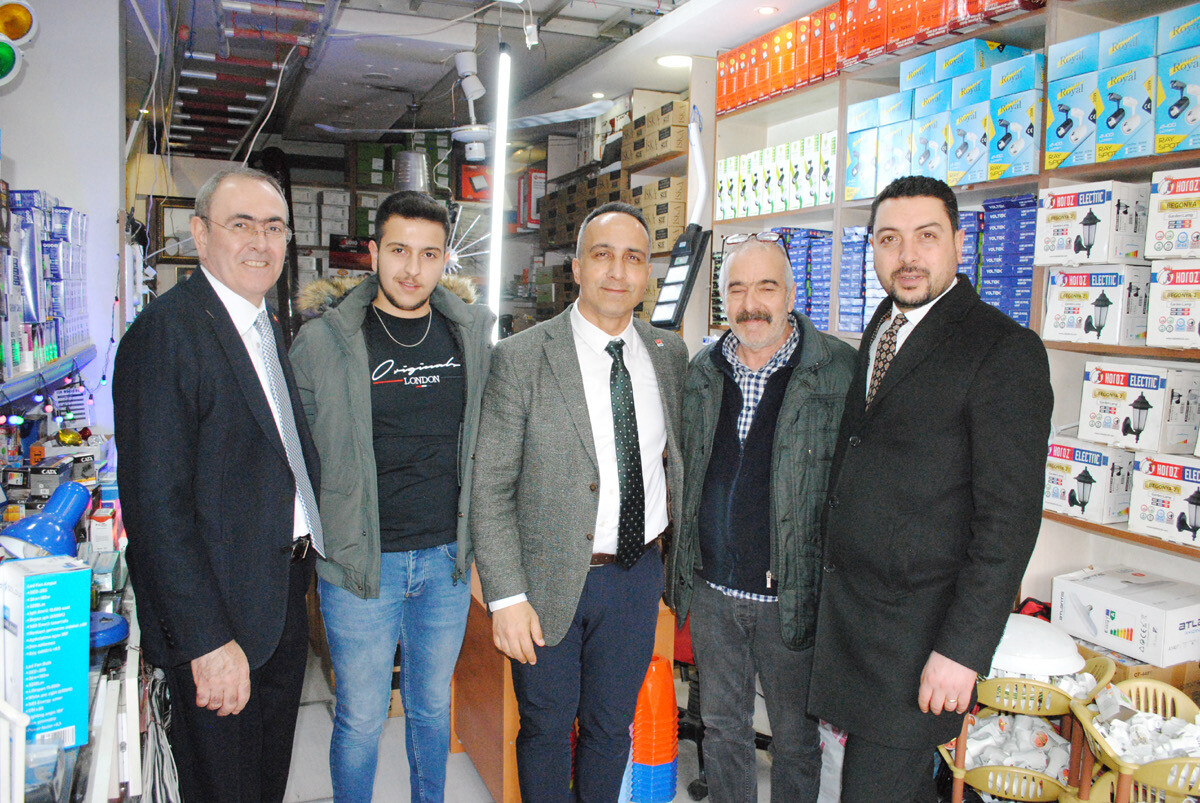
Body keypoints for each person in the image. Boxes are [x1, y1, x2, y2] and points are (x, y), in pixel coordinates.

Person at [808, 175, 1053, 802]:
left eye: (926, 236)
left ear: (959, 243)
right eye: (890, 239)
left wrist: (962, 651)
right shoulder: (885, 325)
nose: (907, 256)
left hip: (921, 637)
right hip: (860, 624)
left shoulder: (1004, 350)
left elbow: (1009, 521)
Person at [114, 165, 322, 802]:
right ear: (200, 235)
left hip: (278, 596)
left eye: (274, 227)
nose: (261, 242)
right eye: (242, 225)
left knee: (263, 784)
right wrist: (206, 642)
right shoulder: (168, 334)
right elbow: (156, 509)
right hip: (221, 617)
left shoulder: (258, 325)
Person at [470, 201, 688, 801]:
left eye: (634, 258)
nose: (618, 271)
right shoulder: (521, 357)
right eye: (603, 255)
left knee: (609, 728)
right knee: (545, 728)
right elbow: (491, 485)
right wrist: (506, 596)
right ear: (577, 267)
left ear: (648, 273)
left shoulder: (669, 354)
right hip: (544, 581)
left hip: (635, 576)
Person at [289, 190, 494, 803]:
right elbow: (293, 455)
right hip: (360, 565)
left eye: (429, 254)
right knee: (361, 718)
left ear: (445, 259)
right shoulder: (325, 341)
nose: (412, 269)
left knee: (431, 709)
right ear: (374, 253)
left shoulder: (471, 337)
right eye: (399, 250)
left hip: (445, 563)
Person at [666, 232, 855, 802]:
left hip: (792, 596)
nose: (751, 304)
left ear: (791, 294)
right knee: (723, 730)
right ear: (723, 298)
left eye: (766, 287)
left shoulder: (837, 370)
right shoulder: (701, 372)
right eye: (737, 289)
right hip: (713, 592)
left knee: (795, 739)